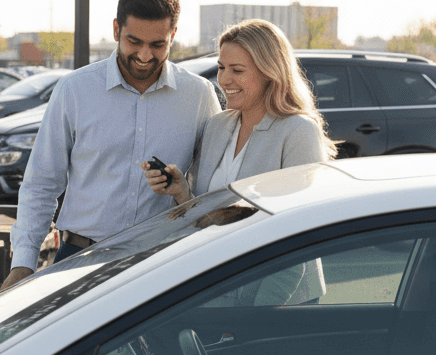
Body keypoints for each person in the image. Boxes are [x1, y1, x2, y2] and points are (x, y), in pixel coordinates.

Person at [0, 0, 221, 289]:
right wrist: (23, 263)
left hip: (161, 262)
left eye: (158, 45)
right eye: (134, 41)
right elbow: (41, 183)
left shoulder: (198, 94)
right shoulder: (75, 90)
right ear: (117, 29)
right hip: (78, 260)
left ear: (172, 35)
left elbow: (209, 185)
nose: (145, 55)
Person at [145, 18, 338, 304]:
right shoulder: (217, 126)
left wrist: (252, 313)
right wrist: (181, 191)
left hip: (281, 298)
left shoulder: (298, 131)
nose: (224, 80)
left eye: (237, 70)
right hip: (223, 288)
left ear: (269, 72)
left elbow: (300, 233)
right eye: (222, 68)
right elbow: (210, 217)